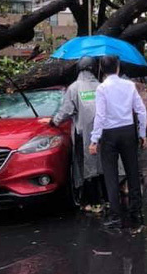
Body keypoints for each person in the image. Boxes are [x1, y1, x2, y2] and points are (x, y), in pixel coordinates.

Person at [89, 55, 147, 231]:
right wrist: (142, 133)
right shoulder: (129, 85)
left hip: (109, 133)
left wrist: (94, 139)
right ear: (118, 67)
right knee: (132, 170)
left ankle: (115, 215)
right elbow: (141, 110)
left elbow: (100, 116)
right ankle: (136, 211)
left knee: (111, 175)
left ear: (101, 68)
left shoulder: (102, 89)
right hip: (128, 130)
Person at [40, 56, 105, 211]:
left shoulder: (74, 88)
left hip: (82, 134)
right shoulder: (101, 86)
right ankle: (104, 200)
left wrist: (53, 122)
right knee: (101, 165)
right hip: (102, 134)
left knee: (85, 167)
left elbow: (66, 111)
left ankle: (88, 202)